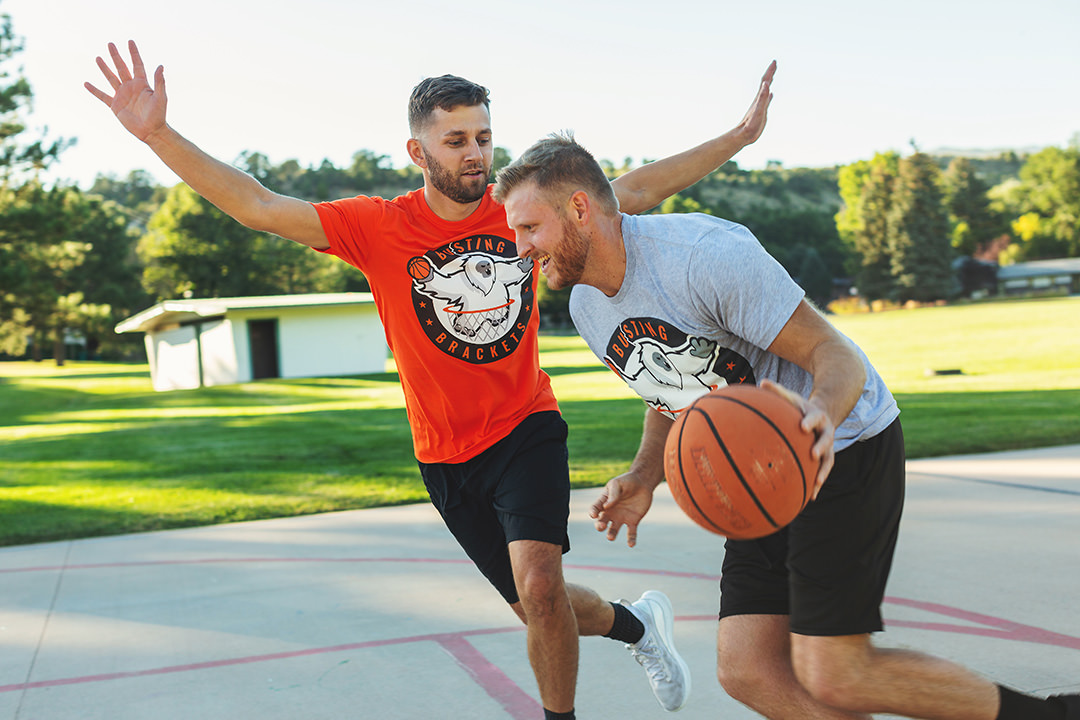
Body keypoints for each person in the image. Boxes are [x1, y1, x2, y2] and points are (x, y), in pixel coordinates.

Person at [86, 41, 777, 719]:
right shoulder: (376, 228)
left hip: (525, 429)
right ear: (418, 152)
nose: (474, 152)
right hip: (445, 456)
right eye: (455, 140)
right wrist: (158, 135)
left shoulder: (524, 213)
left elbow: (643, 185)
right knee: (545, 604)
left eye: (482, 136)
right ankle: (636, 626)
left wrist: (740, 136)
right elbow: (259, 206)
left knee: (539, 589)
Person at [493, 132, 1080, 720]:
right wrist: (646, 474)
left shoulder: (703, 257)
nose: (518, 249)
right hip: (759, 470)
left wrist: (816, 418)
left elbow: (837, 354)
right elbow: (675, 388)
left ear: (578, 209)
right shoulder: (588, 307)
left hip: (841, 446)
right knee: (748, 670)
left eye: (529, 229)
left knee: (840, 673)